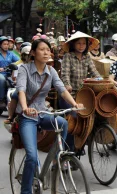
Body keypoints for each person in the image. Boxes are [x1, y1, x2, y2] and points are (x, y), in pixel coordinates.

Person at [16, 38, 83, 194]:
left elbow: (61, 89)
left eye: (48, 49)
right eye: (42, 49)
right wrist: (25, 108)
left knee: (63, 123)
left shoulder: (51, 71)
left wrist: (74, 104)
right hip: (27, 117)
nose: (46, 52)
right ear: (33, 53)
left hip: (43, 113)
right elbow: (21, 90)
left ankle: (56, 157)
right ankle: (25, 191)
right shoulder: (24, 69)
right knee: (32, 157)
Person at [60, 31, 101, 151]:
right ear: (73, 44)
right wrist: (67, 85)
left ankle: (83, 141)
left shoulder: (87, 57)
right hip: (69, 94)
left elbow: (94, 72)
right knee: (73, 118)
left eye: (84, 43)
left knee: (94, 114)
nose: (81, 46)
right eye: (79, 43)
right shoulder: (68, 56)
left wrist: (101, 80)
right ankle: (70, 149)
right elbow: (65, 74)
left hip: (83, 94)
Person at [4, 45, 32, 125]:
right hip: (22, 86)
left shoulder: (36, 65)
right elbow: (15, 78)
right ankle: (10, 116)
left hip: (35, 86)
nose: (28, 57)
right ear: (23, 55)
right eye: (27, 55)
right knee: (15, 95)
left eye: (30, 55)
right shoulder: (19, 65)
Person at [0, 36, 19, 108]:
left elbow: (18, 61)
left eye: (7, 44)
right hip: (1, 74)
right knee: (2, 80)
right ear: (0, 45)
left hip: (10, 74)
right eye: (4, 44)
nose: (6, 46)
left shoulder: (11, 54)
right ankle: (1, 100)